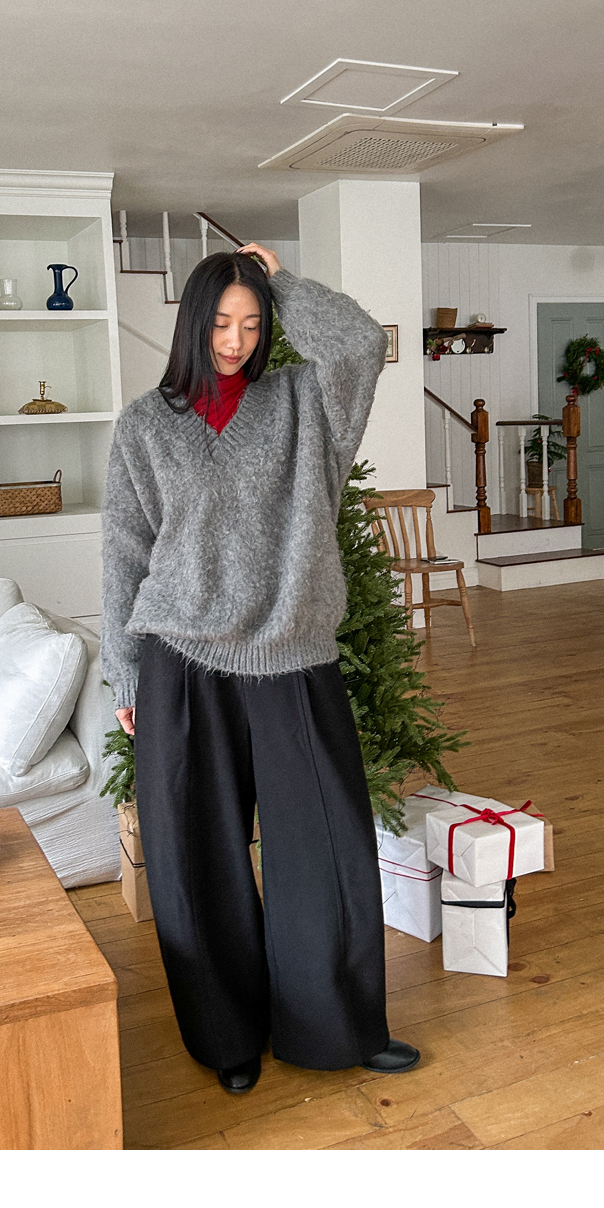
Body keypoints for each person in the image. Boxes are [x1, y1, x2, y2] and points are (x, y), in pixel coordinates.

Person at [100, 243, 420, 1094]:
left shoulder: (308, 404)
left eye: (251, 322)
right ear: (192, 323)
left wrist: (278, 279)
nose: (235, 339)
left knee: (327, 849)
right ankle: (228, 1038)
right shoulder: (143, 426)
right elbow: (125, 557)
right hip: (180, 661)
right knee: (195, 857)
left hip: (293, 654)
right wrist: (125, 675)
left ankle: (338, 1026)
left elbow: (361, 343)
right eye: (220, 322)